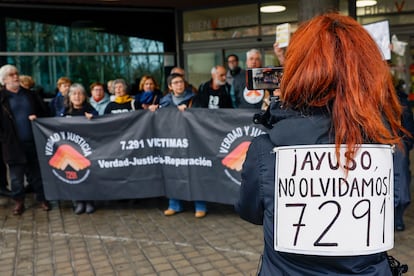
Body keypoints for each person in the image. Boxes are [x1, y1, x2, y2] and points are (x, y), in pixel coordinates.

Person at [237, 13, 407, 275]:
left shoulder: (266, 149)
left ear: (297, 73)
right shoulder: (388, 147)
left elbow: (250, 211)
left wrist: (280, 110)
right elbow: (396, 206)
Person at [0, 64, 50, 215]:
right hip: (12, 144)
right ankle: (19, 202)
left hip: (33, 141)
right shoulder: (1, 98)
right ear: (3, 80)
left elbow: (45, 113)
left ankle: (43, 199)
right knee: (16, 177)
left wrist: (37, 118)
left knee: (36, 174)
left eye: (16, 73)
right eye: (11, 75)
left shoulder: (31, 95)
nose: (15, 76)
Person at [156, 73, 206, 218]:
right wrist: (154, 111)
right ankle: (174, 205)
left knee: (195, 171)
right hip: (173, 143)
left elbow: (204, 116)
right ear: (170, 86)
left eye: (181, 82)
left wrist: (190, 112)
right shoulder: (164, 102)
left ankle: (200, 205)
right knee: (173, 171)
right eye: (176, 83)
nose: (179, 85)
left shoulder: (194, 99)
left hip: (192, 141)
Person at [61, 83, 98, 214]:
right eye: (74, 94)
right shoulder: (64, 111)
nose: (77, 96)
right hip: (70, 151)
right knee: (74, 176)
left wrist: (94, 119)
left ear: (84, 96)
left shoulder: (90, 110)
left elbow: (101, 126)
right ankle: (79, 202)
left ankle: (89, 201)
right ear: (70, 96)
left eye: (80, 93)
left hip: (87, 150)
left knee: (88, 175)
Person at [393, 78, 414, 231]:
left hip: (398, 144)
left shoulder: (401, 101)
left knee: (401, 183)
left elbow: (408, 127)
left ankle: (398, 216)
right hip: (382, 145)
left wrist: (405, 145)